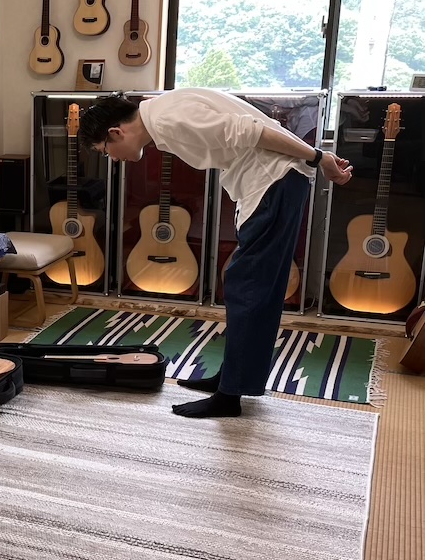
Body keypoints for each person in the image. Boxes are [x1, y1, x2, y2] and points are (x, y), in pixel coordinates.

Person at [78, 88, 353, 419]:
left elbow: (253, 130)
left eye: (105, 151)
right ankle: (232, 379)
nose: (112, 158)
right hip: (273, 181)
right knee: (254, 287)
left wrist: (319, 158)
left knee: (247, 286)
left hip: (273, 181)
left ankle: (229, 395)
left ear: (116, 132)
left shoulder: (167, 119)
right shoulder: (160, 113)